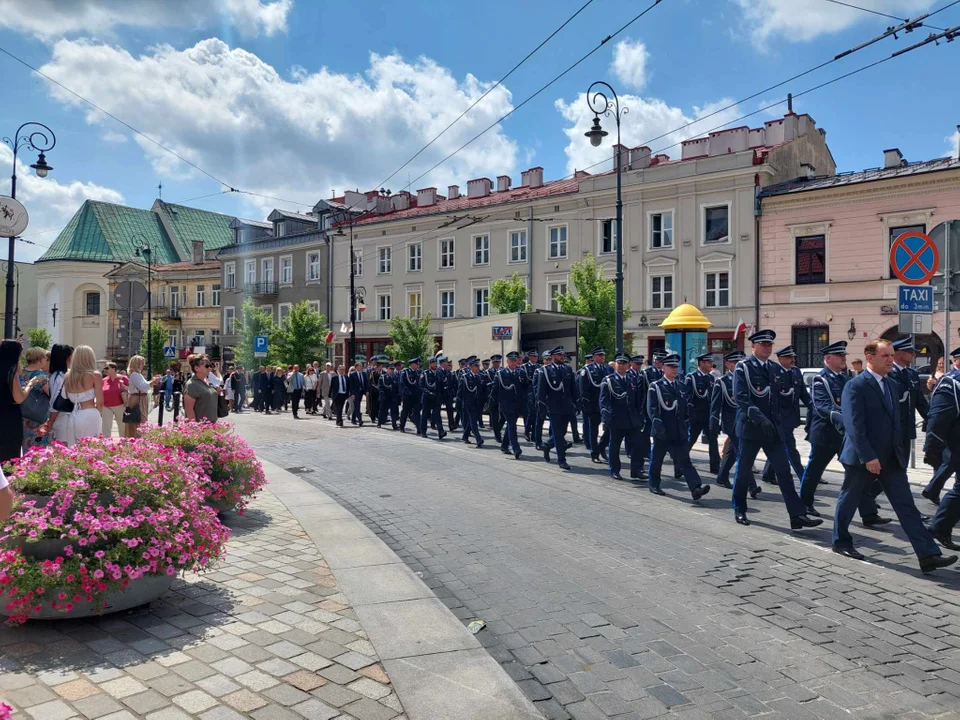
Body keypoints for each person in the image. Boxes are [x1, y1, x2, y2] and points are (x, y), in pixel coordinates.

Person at [833, 339, 956, 573]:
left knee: (906, 506)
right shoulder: (856, 385)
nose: (891, 360)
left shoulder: (891, 384)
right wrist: (868, 457)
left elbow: (897, 421)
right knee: (848, 500)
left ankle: (928, 555)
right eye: (885, 356)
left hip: (891, 458)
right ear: (870, 358)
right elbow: (854, 426)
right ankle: (841, 542)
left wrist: (900, 451)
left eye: (891, 355)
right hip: (863, 458)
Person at [732, 330, 820, 529]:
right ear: (753, 346)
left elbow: (781, 398)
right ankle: (739, 508)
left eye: (770, 344)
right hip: (751, 427)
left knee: (784, 472)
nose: (767, 347)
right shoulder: (743, 367)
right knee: (744, 471)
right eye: (763, 344)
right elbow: (741, 397)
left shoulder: (774, 368)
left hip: (773, 429)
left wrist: (782, 421)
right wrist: (760, 418)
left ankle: (797, 515)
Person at [799, 341, 885, 523]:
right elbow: (822, 406)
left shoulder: (846, 379)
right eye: (840, 356)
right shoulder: (819, 379)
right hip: (825, 432)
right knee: (815, 470)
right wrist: (845, 420)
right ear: (828, 359)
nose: (843, 359)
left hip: (845, 434)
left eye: (844, 356)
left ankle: (868, 514)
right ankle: (805, 504)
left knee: (857, 472)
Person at [647, 353, 710, 499]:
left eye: (676, 366)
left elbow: (685, 407)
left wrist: (687, 421)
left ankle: (695, 488)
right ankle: (654, 484)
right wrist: (658, 426)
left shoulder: (681, 385)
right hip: (663, 430)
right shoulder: (656, 386)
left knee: (685, 460)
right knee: (657, 459)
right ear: (663, 367)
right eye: (671, 366)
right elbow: (653, 409)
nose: (675, 369)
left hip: (678, 430)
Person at [761, 345, 811, 484]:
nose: (793, 360)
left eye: (793, 357)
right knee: (790, 447)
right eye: (789, 357)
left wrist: (813, 406)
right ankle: (803, 477)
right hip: (779, 417)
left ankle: (768, 473)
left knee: (779, 444)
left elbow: (803, 394)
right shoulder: (774, 372)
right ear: (780, 359)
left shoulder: (796, 372)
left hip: (792, 417)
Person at [924, 365, 960, 551]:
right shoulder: (952, 382)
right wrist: (932, 449)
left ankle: (940, 527)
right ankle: (939, 527)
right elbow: (938, 419)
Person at [600, 353, 646, 481]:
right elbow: (604, 401)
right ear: (615, 364)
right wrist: (606, 417)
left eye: (624, 363)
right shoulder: (608, 380)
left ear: (628, 365)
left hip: (632, 418)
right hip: (617, 418)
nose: (621, 365)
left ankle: (636, 470)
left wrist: (640, 416)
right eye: (619, 362)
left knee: (638, 444)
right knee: (615, 446)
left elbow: (638, 399)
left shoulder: (632, 379)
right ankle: (615, 470)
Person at [710, 351, 745, 489]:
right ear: (727, 364)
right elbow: (715, 404)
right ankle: (751, 485)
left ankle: (722, 477)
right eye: (735, 362)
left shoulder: (744, 379)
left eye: (739, 362)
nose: (738, 365)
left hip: (743, 420)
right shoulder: (722, 381)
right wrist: (713, 421)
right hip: (730, 422)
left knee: (733, 451)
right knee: (743, 451)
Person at [538, 347, 577, 469]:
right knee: (558, 434)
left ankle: (547, 445)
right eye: (559, 355)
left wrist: (577, 403)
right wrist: (542, 408)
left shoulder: (568, 369)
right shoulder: (545, 370)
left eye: (563, 354)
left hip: (567, 406)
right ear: (553, 356)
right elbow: (541, 391)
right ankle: (562, 459)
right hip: (554, 407)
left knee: (563, 431)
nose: (562, 356)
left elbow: (573, 389)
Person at [684, 351, 720, 474]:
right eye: (708, 362)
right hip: (696, 415)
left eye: (711, 362)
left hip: (708, 415)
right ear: (701, 363)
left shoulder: (711, 378)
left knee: (713, 440)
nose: (711, 364)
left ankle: (715, 466)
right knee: (690, 440)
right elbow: (687, 398)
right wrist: (690, 415)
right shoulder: (692, 377)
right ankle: (681, 463)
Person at [60, 345, 103, 446]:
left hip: (74, 416)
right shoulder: (95, 375)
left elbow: (65, 396)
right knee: (92, 449)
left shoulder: (67, 376)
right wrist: (98, 413)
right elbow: (100, 403)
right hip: (90, 414)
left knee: (74, 450)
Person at [579, 347, 612, 464]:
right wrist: (586, 406)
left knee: (609, 429)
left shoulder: (608, 368)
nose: (602, 357)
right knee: (593, 430)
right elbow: (584, 390)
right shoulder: (587, 370)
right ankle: (594, 453)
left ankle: (602, 446)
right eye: (599, 355)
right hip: (593, 405)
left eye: (603, 355)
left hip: (606, 406)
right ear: (593, 357)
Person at [492, 351, 526, 459]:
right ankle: (516, 448)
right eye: (511, 360)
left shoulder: (521, 373)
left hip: (517, 404)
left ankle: (504, 445)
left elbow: (525, 388)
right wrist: (492, 403)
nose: (514, 362)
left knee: (510, 426)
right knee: (512, 425)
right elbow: (495, 389)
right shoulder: (501, 373)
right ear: (507, 361)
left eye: (515, 360)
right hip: (506, 405)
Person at [0, 339, 26, 463]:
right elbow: (19, 398)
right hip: (10, 416)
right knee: (10, 454)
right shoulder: (12, 373)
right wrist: (30, 385)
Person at [21, 347, 51, 453]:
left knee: (25, 446)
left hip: (23, 416)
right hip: (38, 418)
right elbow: (50, 394)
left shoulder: (21, 373)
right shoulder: (40, 376)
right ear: (39, 360)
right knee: (39, 448)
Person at [46, 344, 74, 444]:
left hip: (62, 417)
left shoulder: (56, 375)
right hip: (62, 417)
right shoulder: (60, 377)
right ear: (67, 357)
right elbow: (56, 402)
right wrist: (51, 421)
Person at [184, 354, 220, 423]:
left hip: (211, 424)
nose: (209, 368)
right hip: (200, 427)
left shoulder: (208, 381)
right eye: (206, 366)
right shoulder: (192, 384)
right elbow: (189, 410)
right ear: (197, 368)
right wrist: (194, 428)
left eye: (210, 365)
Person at [458, 357, 485, 448]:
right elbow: (460, 391)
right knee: (473, 421)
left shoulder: (479, 376)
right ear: (470, 367)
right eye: (475, 366)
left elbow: (481, 392)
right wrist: (459, 403)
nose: (477, 368)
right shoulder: (465, 377)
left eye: (478, 366)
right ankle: (478, 439)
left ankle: (465, 436)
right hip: (468, 403)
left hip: (477, 403)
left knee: (471, 420)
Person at [123, 355, 151, 438]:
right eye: (141, 363)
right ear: (136, 364)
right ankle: (137, 439)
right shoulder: (135, 374)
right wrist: (152, 382)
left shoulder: (137, 374)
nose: (143, 365)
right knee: (138, 420)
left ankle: (136, 438)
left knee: (137, 420)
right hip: (138, 399)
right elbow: (143, 387)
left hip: (140, 398)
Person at [418, 356, 445, 439]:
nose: (435, 365)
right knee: (425, 415)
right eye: (433, 363)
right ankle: (423, 432)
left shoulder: (439, 373)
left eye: (435, 363)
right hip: (427, 398)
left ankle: (441, 431)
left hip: (436, 398)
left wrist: (442, 397)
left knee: (437, 415)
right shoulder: (425, 373)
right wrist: (428, 392)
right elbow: (421, 386)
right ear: (430, 364)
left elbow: (441, 386)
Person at [101, 362, 129, 437]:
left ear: (114, 369)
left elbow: (131, 390)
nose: (105, 370)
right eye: (104, 368)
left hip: (120, 405)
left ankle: (124, 443)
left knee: (122, 426)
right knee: (106, 427)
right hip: (106, 406)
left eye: (107, 368)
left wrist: (123, 385)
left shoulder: (123, 378)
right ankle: (107, 444)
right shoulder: (103, 380)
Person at [399, 358, 422, 433]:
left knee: (417, 412)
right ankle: (402, 426)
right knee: (405, 411)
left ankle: (419, 428)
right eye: (416, 364)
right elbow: (402, 383)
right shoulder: (405, 372)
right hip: (408, 396)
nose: (418, 365)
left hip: (416, 396)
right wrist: (407, 392)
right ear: (412, 364)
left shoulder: (418, 372)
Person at [485, 354, 505, 443]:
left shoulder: (503, 371)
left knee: (503, 417)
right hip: (492, 397)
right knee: (494, 417)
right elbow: (484, 385)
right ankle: (497, 436)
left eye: (498, 362)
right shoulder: (488, 372)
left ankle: (497, 430)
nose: (496, 363)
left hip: (502, 397)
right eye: (495, 362)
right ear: (492, 363)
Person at [521, 350, 540, 441]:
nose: (535, 358)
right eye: (534, 356)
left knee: (536, 414)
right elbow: (526, 380)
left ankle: (534, 435)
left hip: (537, 393)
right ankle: (527, 430)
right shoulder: (524, 367)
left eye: (536, 357)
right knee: (531, 413)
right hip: (528, 393)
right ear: (529, 357)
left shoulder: (539, 367)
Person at [378, 360, 400, 429]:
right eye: (390, 369)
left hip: (393, 397)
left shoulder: (396, 377)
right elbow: (380, 387)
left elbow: (397, 387)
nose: (392, 370)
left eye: (393, 369)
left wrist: (398, 395)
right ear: (387, 369)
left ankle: (394, 424)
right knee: (382, 411)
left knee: (393, 412)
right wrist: (382, 395)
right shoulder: (383, 377)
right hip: (385, 397)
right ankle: (379, 423)